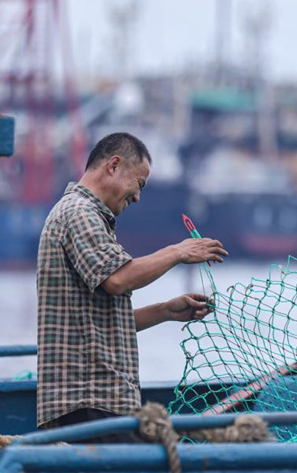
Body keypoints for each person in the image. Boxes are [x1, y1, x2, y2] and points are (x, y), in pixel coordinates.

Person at [36, 132, 228, 441]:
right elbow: (118, 279)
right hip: (90, 398)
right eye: (138, 185)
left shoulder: (84, 216)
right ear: (113, 166)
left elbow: (95, 322)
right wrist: (178, 252)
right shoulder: (80, 213)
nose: (138, 197)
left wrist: (165, 310)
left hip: (93, 399)